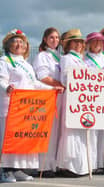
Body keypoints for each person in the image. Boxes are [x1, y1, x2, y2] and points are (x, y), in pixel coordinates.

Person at [0, 29, 61, 183]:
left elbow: (34, 84)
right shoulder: (4, 61)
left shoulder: (26, 64)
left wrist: (52, 89)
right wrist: (6, 87)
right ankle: (5, 170)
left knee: (22, 140)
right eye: (15, 41)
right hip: (10, 107)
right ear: (8, 45)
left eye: (22, 42)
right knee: (9, 139)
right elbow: (1, 80)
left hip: (25, 108)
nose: (19, 44)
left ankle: (18, 169)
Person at [56, 29, 95, 176]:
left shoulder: (81, 60)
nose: (79, 44)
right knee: (71, 131)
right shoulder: (67, 58)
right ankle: (68, 165)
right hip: (72, 98)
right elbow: (66, 78)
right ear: (69, 44)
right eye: (75, 41)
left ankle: (79, 165)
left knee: (81, 130)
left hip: (82, 99)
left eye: (80, 42)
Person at [32, 27, 65, 177]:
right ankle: (42, 166)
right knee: (48, 131)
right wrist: (60, 84)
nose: (55, 40)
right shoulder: (42, 56)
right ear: (45, 39)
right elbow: (43, 77)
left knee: (57, 131)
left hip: (60, 96)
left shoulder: (59, 56)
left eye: (57, 38)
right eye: (51, 37)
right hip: (47, 96)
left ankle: (53, 165)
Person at [84, 32, 104, 171]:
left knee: (102, 133)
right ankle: (90, 163)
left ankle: (100, 162)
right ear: (88, 44)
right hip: (89, 99)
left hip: (103, 99)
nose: (97, 44)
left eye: (99, 42)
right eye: (94, 42)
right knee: (91, 132)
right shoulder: (83, 59)